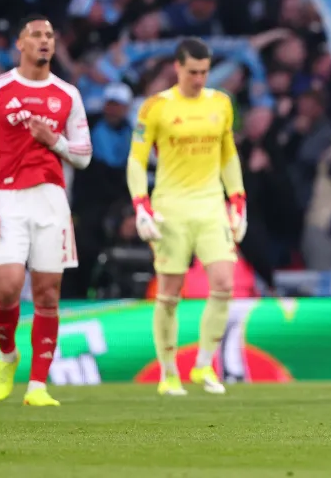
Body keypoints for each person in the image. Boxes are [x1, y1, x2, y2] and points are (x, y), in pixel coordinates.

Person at [0, 15, 93, 407]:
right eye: (36, 35)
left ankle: (38, 386)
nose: (45, 41)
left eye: (50, 36)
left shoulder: (68, 94)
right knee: (7, 289)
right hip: (6, 198)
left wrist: (53, 139)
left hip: (52, 201)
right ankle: (8, 356)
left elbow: (84, 155)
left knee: (47, 295)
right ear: (19, 44)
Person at [126, 37, 247, 397]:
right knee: (169, 292)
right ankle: (168, 373)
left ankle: (204, 365)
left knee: (225, 283)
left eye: (204, 72)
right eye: (192, 71)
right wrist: (141, 204)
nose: (198, 78)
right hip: (171, 208)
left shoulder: (221, 103)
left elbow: (228, 155)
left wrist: (237, 198)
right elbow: (135, 160)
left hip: (211, 205)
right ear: (177, 68)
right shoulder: (155, 107)